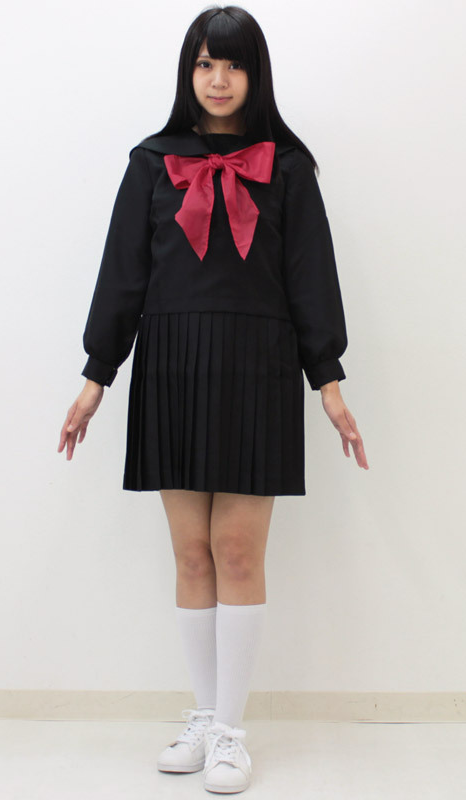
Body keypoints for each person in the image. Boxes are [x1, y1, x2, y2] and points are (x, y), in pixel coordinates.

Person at [58, 4, 369, 794]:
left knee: (236, 550)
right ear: (187, 72)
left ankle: (232, 732)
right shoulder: (151, 162)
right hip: (172, 365)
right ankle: (203, 717)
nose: (219, 78)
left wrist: (328, 383)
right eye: (205, 63)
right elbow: (123, 275)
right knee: (191, 553)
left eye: (233, 64)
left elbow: (311, 280)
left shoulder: (286, 166)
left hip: (257, 367)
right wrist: (96, 377)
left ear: (256, 75)